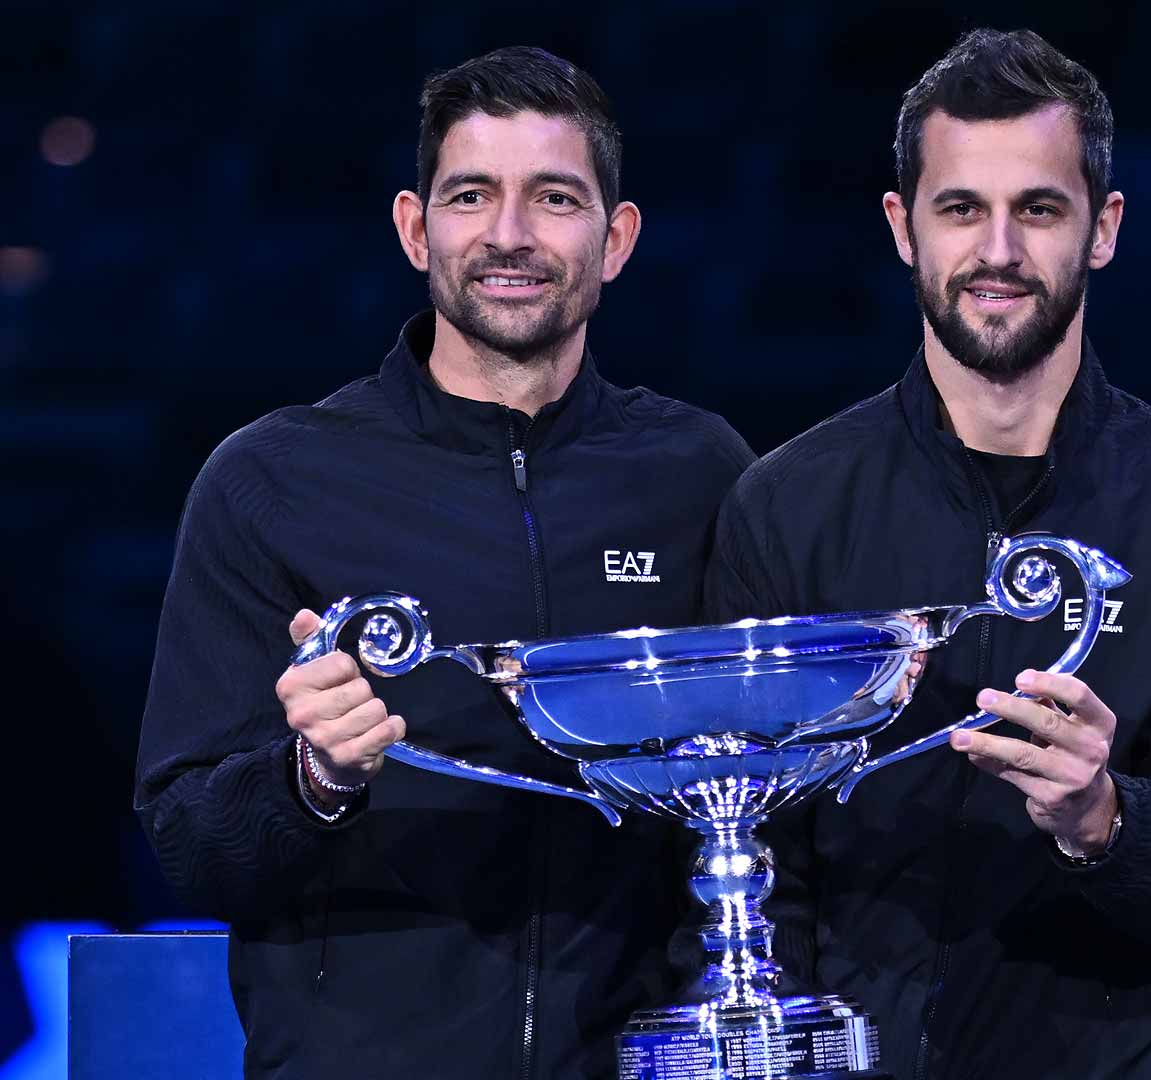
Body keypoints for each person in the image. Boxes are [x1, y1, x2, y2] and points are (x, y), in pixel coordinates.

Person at [134, 47, 753, 1079]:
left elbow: (756, 792)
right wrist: (315, 777)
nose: (510, 234)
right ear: (417, 228)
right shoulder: (273, 480)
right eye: (473, 195)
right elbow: (189, 844)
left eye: (555, 197)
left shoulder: (700, 471)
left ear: (617, 239)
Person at [703, 28, 1151, 1080]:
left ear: (1102, 228)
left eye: (1039, 209)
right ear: (903, 228)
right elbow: (751, 859)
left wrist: (1106, 819)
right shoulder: (786, 505)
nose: (998, 253)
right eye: (961, 210)